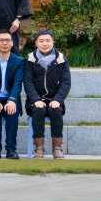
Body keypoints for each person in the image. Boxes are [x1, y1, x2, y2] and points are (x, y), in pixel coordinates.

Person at [23, 29, 71, 160]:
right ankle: (39, 148)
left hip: (55, 99)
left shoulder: (61, 60)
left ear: (53, 42)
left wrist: (58, 99)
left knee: (55, 111)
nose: (45, 44)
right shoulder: (30, 60)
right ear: (36, 43)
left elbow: (66, 83)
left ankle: (57, 149)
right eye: (41, 41)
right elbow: (28, 82)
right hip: (35, 101)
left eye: (48, 41)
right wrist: (35, 99)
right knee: (39, 111)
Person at [0, 30, 25, 160]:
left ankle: (11, 149)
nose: (4, 43)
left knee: (12, 112)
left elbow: (17, 83)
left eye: (7, 40)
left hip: (10, 98)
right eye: (1, 40)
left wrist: (12, 100)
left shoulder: (19, 61)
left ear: (12, 43)